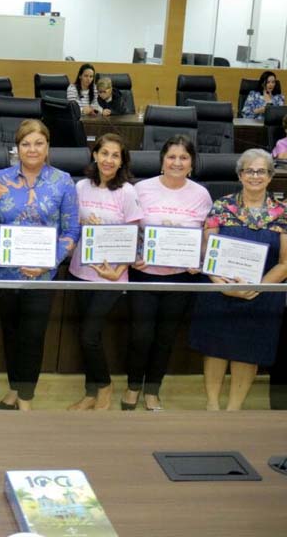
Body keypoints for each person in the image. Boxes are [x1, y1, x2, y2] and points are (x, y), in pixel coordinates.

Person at [0, 119, 79, 410]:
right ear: (17, 147)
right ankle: (14, 388)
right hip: (5, 273)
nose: (32, 149)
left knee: (33, 337)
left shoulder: (62, 182)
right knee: (11, 335)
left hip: (41, 275)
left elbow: (71, 231)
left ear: (48, 146)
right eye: (26, 143)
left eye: (38, 143)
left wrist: (47, 262)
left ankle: (25, 397)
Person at [190, 149, 287, 410]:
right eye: (249, 171)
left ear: (270, 176)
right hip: (219, 289)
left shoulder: (283, 212)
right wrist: (222, 286)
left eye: (261, 171)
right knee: (215, 348)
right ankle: (212, 406)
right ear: (240, 175)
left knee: (248, 351)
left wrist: (255, 288)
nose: (255, 176)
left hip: (262, 293)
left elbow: (285, 263)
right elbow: (206, 251)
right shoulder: (221, 206)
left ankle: (234, 410)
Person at [127, 135, 212, 411]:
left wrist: (198, 261)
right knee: (141, 336)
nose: (177, 162)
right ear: (162, 160)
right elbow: (128, 229)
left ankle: (152, 390)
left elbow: (206, 239)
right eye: (172, 157)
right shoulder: (141, 189)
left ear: (192, 163)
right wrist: (133, 256)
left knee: (165, 337)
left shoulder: (201, 194)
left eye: (184, 157)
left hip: (181, 277)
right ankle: (131, 387)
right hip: (145, 274)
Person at [66, 134, 143, 411]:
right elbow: (72, 224)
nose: (109, 160)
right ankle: (90, 393)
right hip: (80, 271)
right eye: (104, 153)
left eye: (115, 155)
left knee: (90, 334)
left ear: (122, 161)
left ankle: (106, 387)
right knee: (87, 337)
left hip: (111, 277)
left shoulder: (127, 192)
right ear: (95, 155)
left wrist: (119, 270)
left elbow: (134, 234)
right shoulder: (81, 187)